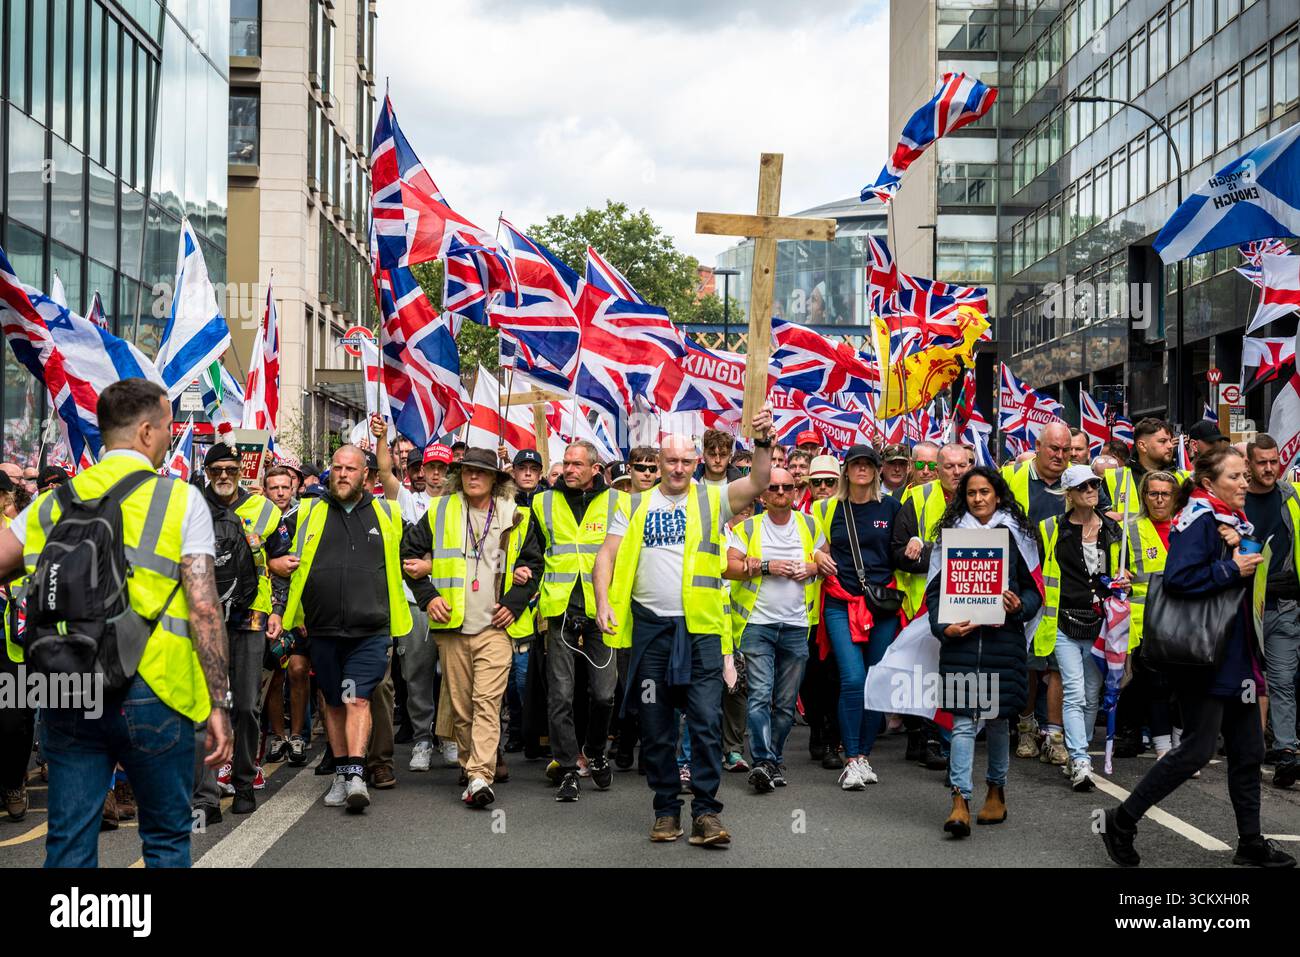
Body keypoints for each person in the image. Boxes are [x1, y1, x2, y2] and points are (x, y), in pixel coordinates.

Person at [0, 379, 232, 866]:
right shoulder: (181, 500)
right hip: (156, 687)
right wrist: (218, 702)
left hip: (67, 683)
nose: (171, 436)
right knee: (167, 838)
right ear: (146, 432)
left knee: (68, 839)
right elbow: (205, 608)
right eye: (168, 427)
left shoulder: (52, 502)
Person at [1100, 446, 1295, 869]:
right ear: (1209, 483)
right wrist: (1230, 568)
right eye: (1236, 477)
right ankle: (1122, 820)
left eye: (1246, 476)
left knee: (1247, 751)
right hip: (1206, 656)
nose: (1246, 483)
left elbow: (1245, 568)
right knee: (1197, 749)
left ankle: (1251, 843)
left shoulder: (1227, 520)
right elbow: (1179, 578)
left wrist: (1238, 549)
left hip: (1237, 652)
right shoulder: (1200, 521)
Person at [594, 409, 773, 846]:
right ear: (659, 462)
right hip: (653, 634)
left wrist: (764, 442)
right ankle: (666, 810)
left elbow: (760, 482)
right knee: (655, 725)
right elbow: (606, 557)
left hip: (702, 634)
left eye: (685, 461)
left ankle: (708, 814)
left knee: (706, 723)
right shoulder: (635, 503)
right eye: (669, 461)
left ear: (697, 464)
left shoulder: (714, 499)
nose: (677, 468)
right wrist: (602, 602)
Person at [273, 443, 413, 813]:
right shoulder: (306, 512)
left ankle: (355, 775)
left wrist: (424, 566)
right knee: (333, 701)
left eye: (350, 469)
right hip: (321, 628)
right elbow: (267, 549)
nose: (342, 474)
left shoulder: (387, 512)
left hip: (372, 628)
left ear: (365, 475)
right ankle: (341, 772)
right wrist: (276, 565)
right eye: (337, 468)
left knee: (358, 698)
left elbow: (420, 547)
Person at [405, 448, 543, 808]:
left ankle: (480, 773)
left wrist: (514, 603)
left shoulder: (516, 515)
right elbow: (408, 558)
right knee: (463, 707)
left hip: (495, 627)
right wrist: (427, 596)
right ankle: (473, 768)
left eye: (481, 472)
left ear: (495, 479)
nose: (473, 477)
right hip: (452, 625)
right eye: (467, 471)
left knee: (487, 702)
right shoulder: (441, 510)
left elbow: (533, 565)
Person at [927, 467, 1043, 837]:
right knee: (963, 722)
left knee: (994, 721)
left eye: (985, 492)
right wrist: (943, 627)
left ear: (998, 495)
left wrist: (1017, 606)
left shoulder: (1016, 536)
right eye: (972, 493)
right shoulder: (951, 537)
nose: (978, 499)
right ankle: (959, 800)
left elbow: (1034, 591)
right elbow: (934, 593)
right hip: (961, 644)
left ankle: (996, 791)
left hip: (1001, 643)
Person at [725, 468, 833, 793]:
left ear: (797, 492)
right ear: (762, 495)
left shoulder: (810, 525)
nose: (782, 492)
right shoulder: (747, 527)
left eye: (788, 487)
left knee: (785, 705)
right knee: (759, 696)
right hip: (757, 624)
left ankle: (772, 759)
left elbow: (827, 563)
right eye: (774, 487)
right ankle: (762, 761)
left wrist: (813, 567)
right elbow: (729, 567)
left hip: (797, 626)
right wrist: (767, 566)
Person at [192, 443, 284, 817]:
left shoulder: (265, 509)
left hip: (249, 620)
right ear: (208, 471)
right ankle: (205, 796)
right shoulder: (192, 508)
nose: (225, 476)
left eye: (231, 468)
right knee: (205, 708)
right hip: (203, 622)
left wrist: (277, 607)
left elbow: (282, 563)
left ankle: (244, 782)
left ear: (241, 469)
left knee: (246, 706)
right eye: (217, 470)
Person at [533, 441, 624, 802]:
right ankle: (568, 768)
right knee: (560, 695)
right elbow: (532, 553)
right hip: (560, 610)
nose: (569, 470)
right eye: (565, 464)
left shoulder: (618, 502)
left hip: (602, 611)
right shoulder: (542, 502)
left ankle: (597, 751)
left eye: (576, 465)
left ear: (595, 469)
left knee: (603, 693)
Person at [1036, 464, 1128, 792]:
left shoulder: (1114, 530)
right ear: (1069, 495)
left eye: (1094, 485)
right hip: (1063, 621)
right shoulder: (1050, 529)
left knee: (1091, 694)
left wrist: (1124, 581)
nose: (1091, 490)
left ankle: (1082, 748)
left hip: (1102, 624)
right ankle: (1080, 759)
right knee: (1073, 692)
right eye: (1084, 486)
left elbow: (1126, 572)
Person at [817, 444, 903, 789]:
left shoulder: (892, 507)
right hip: (840, 602)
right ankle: (850, 757)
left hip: (882, 605)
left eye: (868, 464)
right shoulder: (827, 508)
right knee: (853, 678)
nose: (862, 470)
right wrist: (814, 554)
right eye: (856, 465)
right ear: (846, 471)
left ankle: (864, 755)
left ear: (877, 470)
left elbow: (901, 551)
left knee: (876, 681)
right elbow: (811, 542)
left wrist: (913, 542)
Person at [892, 443, 971, 768]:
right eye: (949, 466)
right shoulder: (918, 499)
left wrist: (931, 549)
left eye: (961, 466)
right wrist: (941, 553)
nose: (956, 472)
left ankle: (953, 745)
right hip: (923, 603)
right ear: (937, 470)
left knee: (958, 674)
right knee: (923, 675)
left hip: (968, 601)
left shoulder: (983, 497)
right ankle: (923, 737)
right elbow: (898, 552)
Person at [1243, 435, 1300, 788]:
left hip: (1284, 606)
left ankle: (1286, 752)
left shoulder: (1291, 499)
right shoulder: (1236, 499)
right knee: (1247, 683)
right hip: (1242, 607)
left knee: (1282, 682)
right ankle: (1247, 746)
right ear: (1248, 464)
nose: (1268, 468)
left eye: (1273, 461)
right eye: (1261, 462)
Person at [1112, 471, 1179, 763]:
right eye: (1153, 493)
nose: (1160, 499)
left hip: (1182, 621)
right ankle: (1156, 743)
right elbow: (1115, 571)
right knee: (1153, 684)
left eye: (1165, 493)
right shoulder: (1130, 529)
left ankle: (1178, 743)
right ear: (1144, 497)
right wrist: (1119, 576)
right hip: (1143, 623)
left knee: (1179, 686)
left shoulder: (1187, 528)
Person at [262, 466, 312, 768]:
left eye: (285, 487)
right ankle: (277, 737)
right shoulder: (258, 516)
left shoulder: (305, 515)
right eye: (274, 488)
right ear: (265, 490)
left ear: (293, 487)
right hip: (268, 605)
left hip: (298, 606)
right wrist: (271, 562)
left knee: (297, 668)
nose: (280, 493)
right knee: (273, 674)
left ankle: (297, 736)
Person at [1104, 418, 1177, 519]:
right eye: (1163, 441)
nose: (1170, 446)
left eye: (1170, 440)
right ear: (1142, 446)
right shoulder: (1114, 478)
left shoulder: (1181, 477)